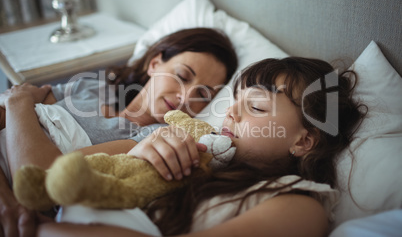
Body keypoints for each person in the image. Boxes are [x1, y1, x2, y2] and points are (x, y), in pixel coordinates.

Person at [35, 57, 366, 236]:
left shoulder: (298, 204)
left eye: (257, 107)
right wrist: (137, 151)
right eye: (235, 100)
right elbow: (54, 174)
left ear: (304, 140)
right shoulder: (192, 145)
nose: (230, 112)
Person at [0, 28, 238, 237]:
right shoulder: (93, 87)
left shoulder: (153, 138)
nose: (185, 97)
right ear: (154, 64)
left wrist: (18, 102)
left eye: (202, 95)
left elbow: (40, 178)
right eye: (182, 76)